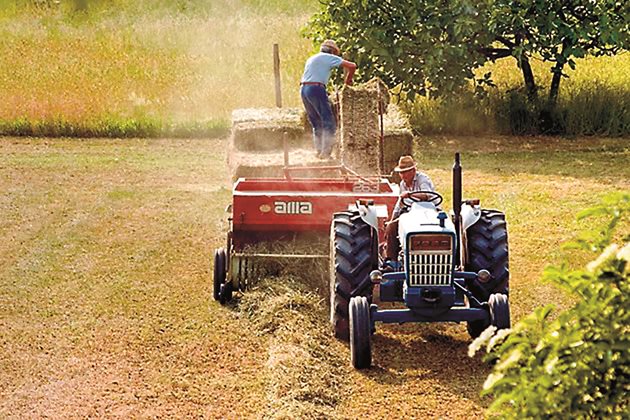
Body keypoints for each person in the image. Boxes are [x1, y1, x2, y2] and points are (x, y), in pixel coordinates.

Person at [300, 39, 356, 159]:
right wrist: (348, 81)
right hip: (316, 88)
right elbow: (352, 66)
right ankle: (326, 153)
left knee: (316, 122)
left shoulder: (312, 58)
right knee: (329, 122)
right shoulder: (328, 57)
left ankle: (319, 150)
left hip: (304, 89)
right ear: (332, 52)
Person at [385, 155, 437, 261]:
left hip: (430, 213)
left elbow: (427, 195)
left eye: (405, 172)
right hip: (411, 214)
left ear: (413, 170)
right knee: (391, 228)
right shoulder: (402, 185)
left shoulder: (422, 179)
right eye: (401, 172)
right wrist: (391, 220)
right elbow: (399, 204)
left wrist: (410, 195)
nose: (402, 175)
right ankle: (391, 261)